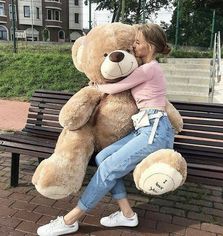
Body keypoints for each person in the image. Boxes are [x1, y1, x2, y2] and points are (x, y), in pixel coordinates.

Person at [37, 23, 174, 236]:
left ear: (151, 45)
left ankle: (70, 219)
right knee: (103, 158)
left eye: (138, 43)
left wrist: (95, 87)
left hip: (155, 132)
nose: (134, 46)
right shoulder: (145, 68)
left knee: (108, 168)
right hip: (145, 128)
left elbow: (117, 86)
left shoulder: (149, 69)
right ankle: (127, 214)